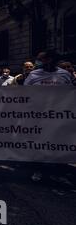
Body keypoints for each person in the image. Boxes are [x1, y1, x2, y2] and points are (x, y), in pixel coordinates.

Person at [24, 50, 72, 181]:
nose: (37, 61)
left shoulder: (64, 75)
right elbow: (24, 94)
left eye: (40, 59)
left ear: (49, 60)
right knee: (38, 145)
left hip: (59, 118)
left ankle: (59, 173)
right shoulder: (33, 75)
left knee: (59, 144)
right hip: (38, 118)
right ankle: (38, 170)